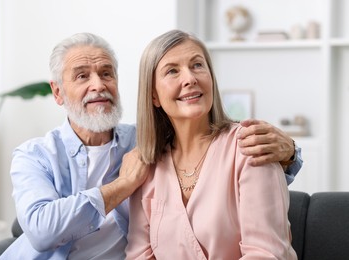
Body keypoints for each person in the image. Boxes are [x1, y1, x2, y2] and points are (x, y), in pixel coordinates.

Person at [0, 32, 301, 259]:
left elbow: (239, 172)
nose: (98, 85)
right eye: (82, 76)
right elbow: (41, 230)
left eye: (106, 73)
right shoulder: (34, 155)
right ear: (58, 92)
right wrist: (124, 184)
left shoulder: (146, 144)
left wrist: (288, 153)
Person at [125, 30, 297, 259]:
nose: (190, 79)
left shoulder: (249, 146)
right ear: (153, 96)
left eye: (197, 65)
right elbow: (139, 255)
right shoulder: (146, 166)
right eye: (173, 71)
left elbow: (265, 253)